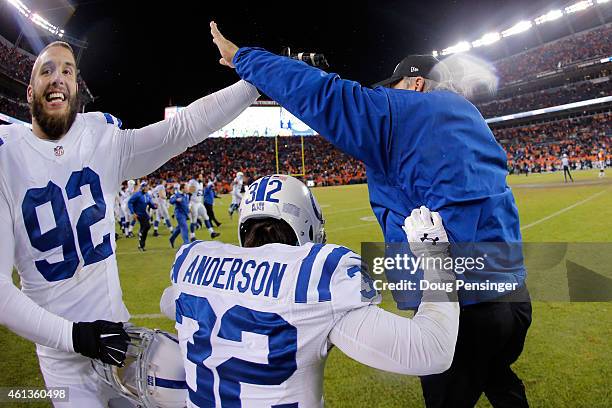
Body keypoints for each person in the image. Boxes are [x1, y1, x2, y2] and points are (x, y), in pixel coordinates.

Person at [210, 22, 531, 408]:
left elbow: (323, 96)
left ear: (415, 84)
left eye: (390, 87)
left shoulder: (405, 112)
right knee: (499, 379)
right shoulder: (470, 117)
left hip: (460, 304)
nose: (383, 95)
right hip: (512, 293)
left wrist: (245, 58)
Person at [0, 40, 259, 407]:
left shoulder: (101, 140)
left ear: (76, 90)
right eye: (46, 70)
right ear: (29, 92)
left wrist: (258, 81)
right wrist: (76, 337)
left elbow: (182, 128)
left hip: (122, 341)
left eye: (67, 71)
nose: (57, 77)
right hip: (63, 360)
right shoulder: (5, 160)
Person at [159, 174, 459, 407]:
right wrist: (434, 257)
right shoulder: (315, 277)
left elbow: (168, 303)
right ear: (308, 223)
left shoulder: (193, 263)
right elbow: (431, 350)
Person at [188, 176, 220, 241]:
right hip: (193, 203)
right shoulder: (193, 182)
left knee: (206, 217)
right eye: (200, 176)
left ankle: (212, 233)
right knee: (193, 220)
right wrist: (188, 204)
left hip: (199, 203)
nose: (202, 177)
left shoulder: (200, 183)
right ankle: (192, 236)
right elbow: (189, 193)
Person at [128, 181, 157, 251]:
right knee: (147, 226)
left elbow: (150, 204)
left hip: (144, 213)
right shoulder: (137, 195)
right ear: (143, 187)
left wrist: (155, 206)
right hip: (139, 214)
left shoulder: (147, 195)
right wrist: (133, 212)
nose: (147, 188)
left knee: (146, 227)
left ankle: (141, 244)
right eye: (146, 186)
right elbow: (130, 202)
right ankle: (141, 241)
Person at [169, 183, 191, 248]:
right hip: (179, 214)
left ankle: (171, 239)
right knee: (185, 227)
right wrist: (176, 200)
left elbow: (186, 204)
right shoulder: (177, 195)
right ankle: (186, 244)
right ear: (182, 189)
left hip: (185, 215)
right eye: (186, 187)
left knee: (179, 229)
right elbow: (171, 200)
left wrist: (188, 212)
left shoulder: (187, 195)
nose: (188, 189)